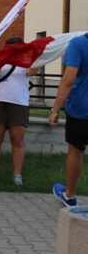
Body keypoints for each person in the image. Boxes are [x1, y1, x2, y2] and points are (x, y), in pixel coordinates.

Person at [0, 37, 38, 185]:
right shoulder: (0, 60)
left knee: (17, 141)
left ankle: (17, 175)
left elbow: (32, 70)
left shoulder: (26, 61)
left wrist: (37, 55)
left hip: (18, 103)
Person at [51, 32, 88, 207]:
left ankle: (70, 195)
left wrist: (55, 109)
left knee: (75, 149)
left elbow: (68, 79)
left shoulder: (78, 43)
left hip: (81, 108)